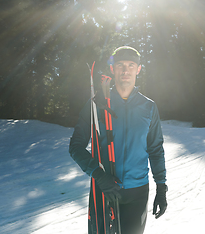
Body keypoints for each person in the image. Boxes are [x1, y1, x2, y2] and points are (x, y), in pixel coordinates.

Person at [69, 46, 167, 234]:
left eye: (131, 65)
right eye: (120, 65)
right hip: (104, 189)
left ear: (138, 69)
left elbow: (155, 150)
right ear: (112, 69)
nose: (125, 70)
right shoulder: (96, 104)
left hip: (137, 192)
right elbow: (75, 147)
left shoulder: (149, 107)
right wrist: (98, 175)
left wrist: (161, 188)